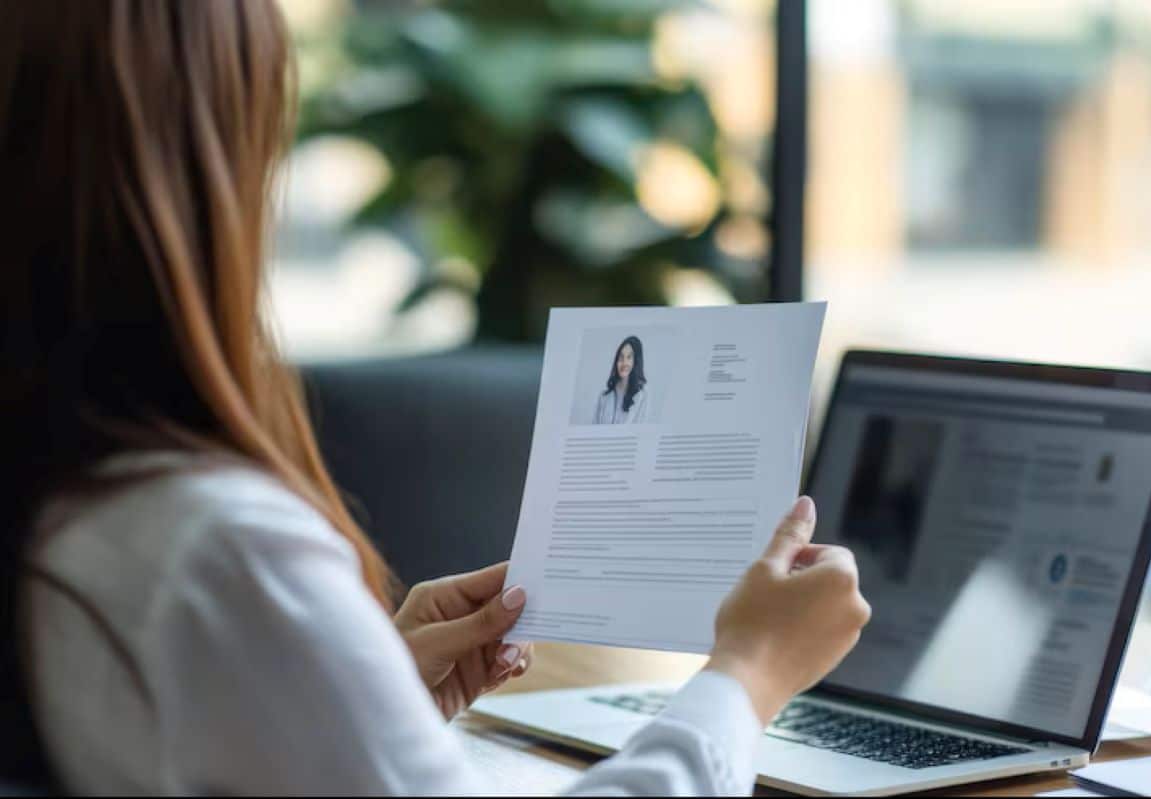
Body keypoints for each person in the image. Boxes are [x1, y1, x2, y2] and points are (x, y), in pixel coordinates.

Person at [0, 2, 871, 794]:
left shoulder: (74, 501)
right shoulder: (219, 547)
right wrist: (748, 676)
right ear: (203, 173)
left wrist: (367, 684)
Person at [593, 336, 650, 424]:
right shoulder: (603, 397)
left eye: (629, 357)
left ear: (636, 362)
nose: (624, 363)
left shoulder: (641, 397)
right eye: (621, 357)